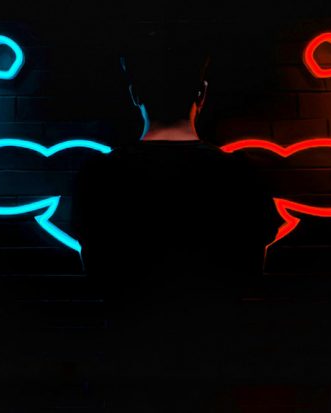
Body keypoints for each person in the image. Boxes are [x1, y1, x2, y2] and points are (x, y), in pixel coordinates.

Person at [71, 26, 278, 410]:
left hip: (124, 357)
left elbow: (93, 272)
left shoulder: (99, 174)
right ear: (201, 94)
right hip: (218, 359)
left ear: (135, 95)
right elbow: (253, 270)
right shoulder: (239, 173)